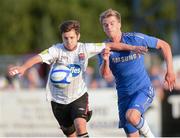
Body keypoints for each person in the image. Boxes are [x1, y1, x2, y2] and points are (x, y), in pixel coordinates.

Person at [8, 20, 147, 137]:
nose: (69, 41)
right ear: (62, 37)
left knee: (81, 126)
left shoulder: (85, 48)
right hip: (58, 100)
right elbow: (38, 58)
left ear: (78, 36)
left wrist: (133, 47)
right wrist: (23, 68)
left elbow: (111, 45)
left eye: (72, 37)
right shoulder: (56, 50)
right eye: (65, 38)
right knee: (71, 135)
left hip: (78, 96)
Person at [98, 9, 176, 137]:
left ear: (119, 24)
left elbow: (165, 45)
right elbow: (106, 76)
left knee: (132, 116)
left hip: (143, 89)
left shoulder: (135, 38)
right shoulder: (103, 48)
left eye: (112, 23)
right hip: (124, 96)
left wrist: (170, 71)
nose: (109, 27)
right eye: (106, 25)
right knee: (132, 134)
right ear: (103, 28)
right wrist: (106, 60)